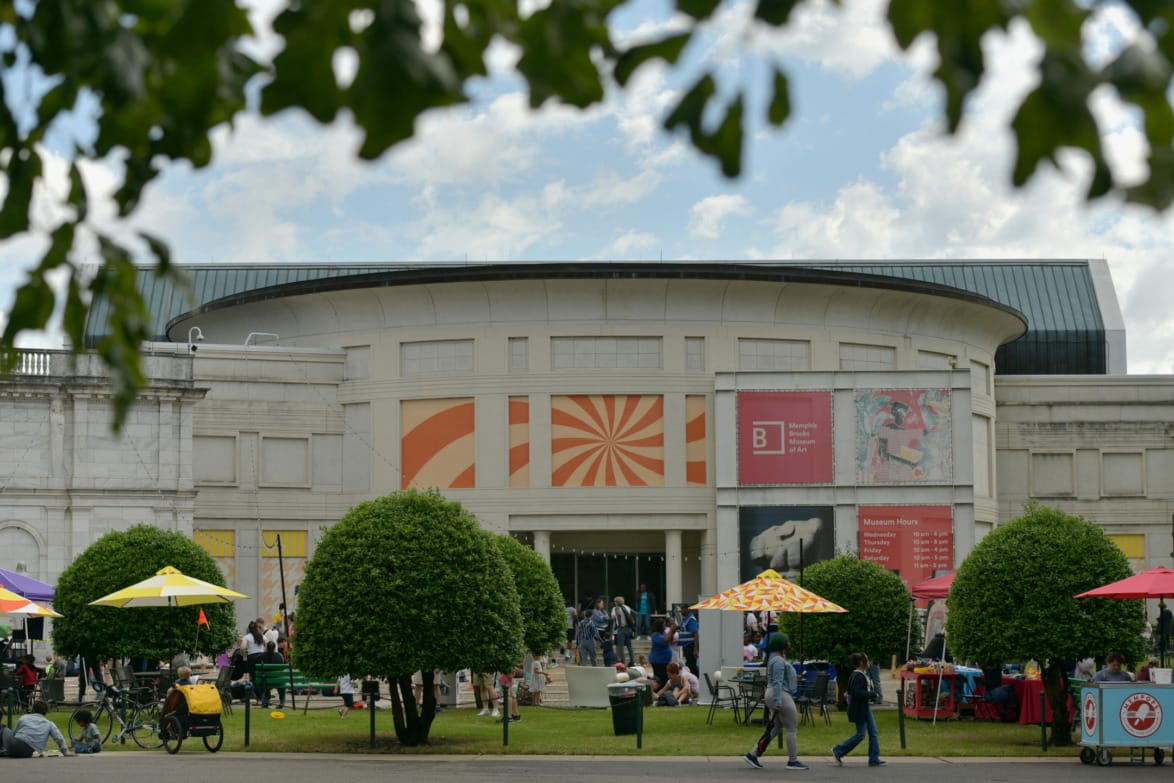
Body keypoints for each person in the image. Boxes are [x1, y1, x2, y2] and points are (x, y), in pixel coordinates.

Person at [743, 633, 808, 771]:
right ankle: (793, 761)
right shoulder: (778, 660)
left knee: (776, 728)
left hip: (777, 694)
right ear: (782, 644)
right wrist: (778, 701)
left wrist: (794, 678)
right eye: (787, 642)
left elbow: (780, 679)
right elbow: (777, 682)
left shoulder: (776, 659)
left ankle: (753, 754)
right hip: (780, 695)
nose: (789, 644)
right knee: (792, 727)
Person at [831, 652, 886, 767]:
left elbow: (851, 691)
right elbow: (858, 693)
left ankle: (874, 759)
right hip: (859, 709)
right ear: (862, 663)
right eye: (867, 659)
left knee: (873, 732)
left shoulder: (856, 674)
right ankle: (838, 750)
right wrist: (872, 694)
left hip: (863, 707)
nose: (869, 661)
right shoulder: (858, 676)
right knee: (861, 734)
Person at [0, 700, 72, 758]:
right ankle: (5, 751)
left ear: (33, 709)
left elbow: (14, 734)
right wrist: (66, 752)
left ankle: (3, 749)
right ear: (46, 712)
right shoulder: (49, 724)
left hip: (14, 744)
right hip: (27, 752)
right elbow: (59, 738)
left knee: (3, 728)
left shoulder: (24, 717)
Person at [648, 617, 675, 688]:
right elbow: (664, 642)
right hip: (658, 661)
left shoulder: (664, 633)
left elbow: (670, 640)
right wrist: (671, 630)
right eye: (664, 625)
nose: (665, 626)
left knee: (665, 678)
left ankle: (663, 693)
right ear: (659, 626)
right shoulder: (655, 635)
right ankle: (659, 692)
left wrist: (673, 631)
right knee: (660, 678)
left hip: (664, 661)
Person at [259, 641, 286, 708]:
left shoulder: (261, 656)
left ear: (267, 648)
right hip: (278, 681)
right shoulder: (279, 656)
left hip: (266, 681)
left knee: (264, 682)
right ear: (274, 648)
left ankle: (265, 701)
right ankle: (282, 702)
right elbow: (284, 665)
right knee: (281, 684)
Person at [611, 596, 636, 666]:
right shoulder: (627, 607)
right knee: (629, 646)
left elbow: (613, 617)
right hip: (628, 628)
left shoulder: (615, 608)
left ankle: (623, 662)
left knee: (621, 646)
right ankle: (632, 660)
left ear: (616, 602)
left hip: (621, 629)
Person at [676, 606, 699, 675]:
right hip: (686, 646)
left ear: (687, 609)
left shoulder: (690, 619)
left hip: (690, 646)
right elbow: (680, 627)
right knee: (689, 664)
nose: (681, 611)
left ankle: (696, 680)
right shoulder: (685, 619)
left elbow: (696, 633)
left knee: (691, 666)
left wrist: (695, 649)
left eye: (683, 609)